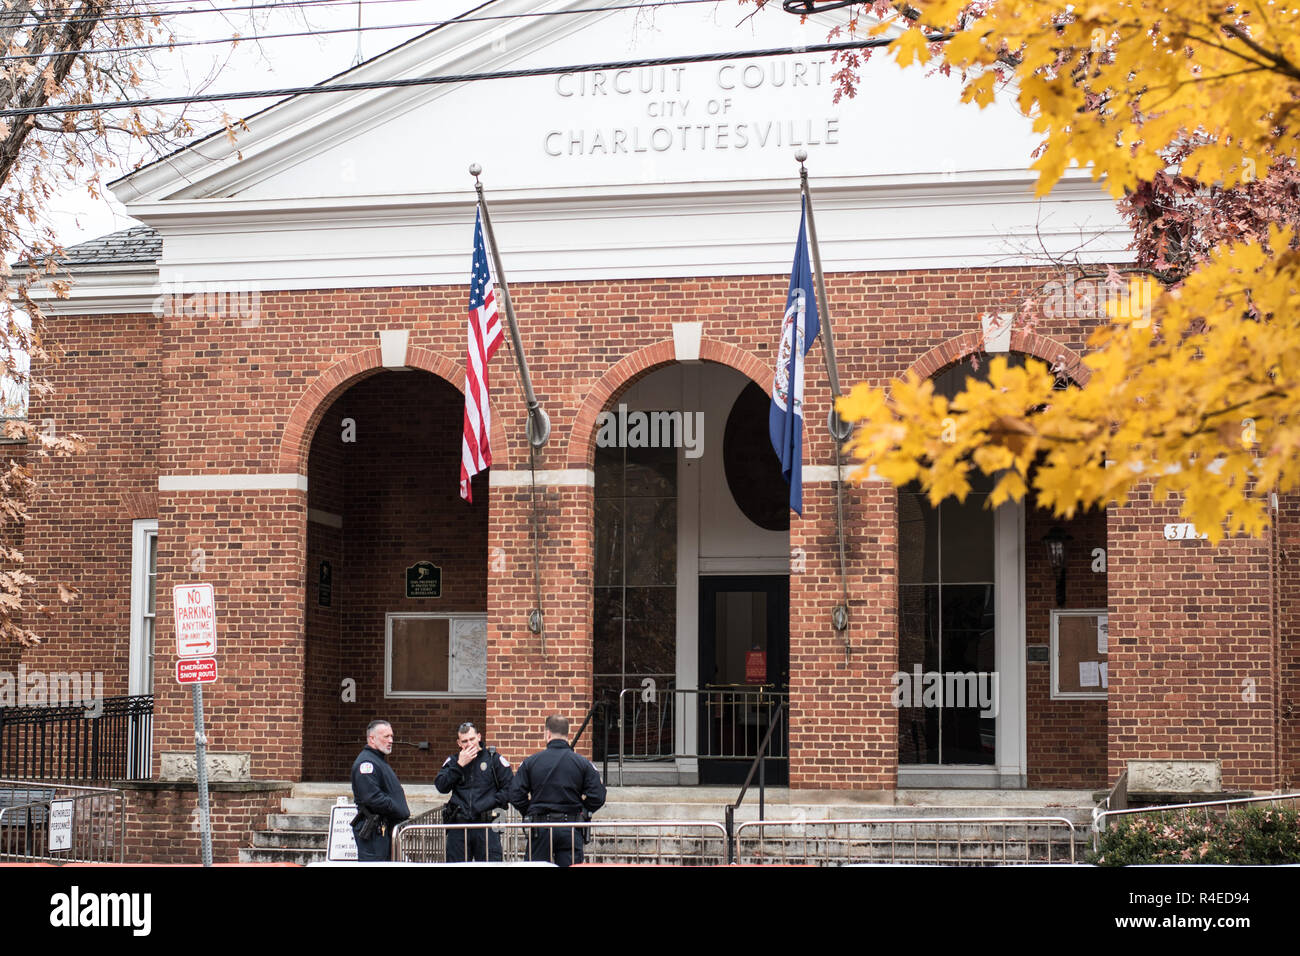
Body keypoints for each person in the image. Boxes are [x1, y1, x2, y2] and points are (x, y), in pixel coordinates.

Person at [508, 714, 607, 867]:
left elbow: (515, 794)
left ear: (547, 734)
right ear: (567, 734)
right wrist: (583, 809)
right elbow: (598, 796)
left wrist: (530, 811)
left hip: (540, 828)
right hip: (571, 827)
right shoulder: (583, 763)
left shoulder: (531, 762)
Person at [434, 721, 513, 862]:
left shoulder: (493, 759)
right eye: (464, 741)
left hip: (487, 825)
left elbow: (510, 788)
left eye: (472, 739)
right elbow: (441, 786)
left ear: (479, 737)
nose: (469, 744)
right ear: (459, 743)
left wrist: (490, 803)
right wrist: (459, 766)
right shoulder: (453, 761)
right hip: (459, 826)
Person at [350, 719, 410, 862]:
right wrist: (397, 809)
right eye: (386, 737)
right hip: (374, 831)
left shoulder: (378, 760)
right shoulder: (367, 763)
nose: (391, 740)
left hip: (383, 829)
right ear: (372, 738)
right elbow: (372, 798)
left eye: (392, 736)